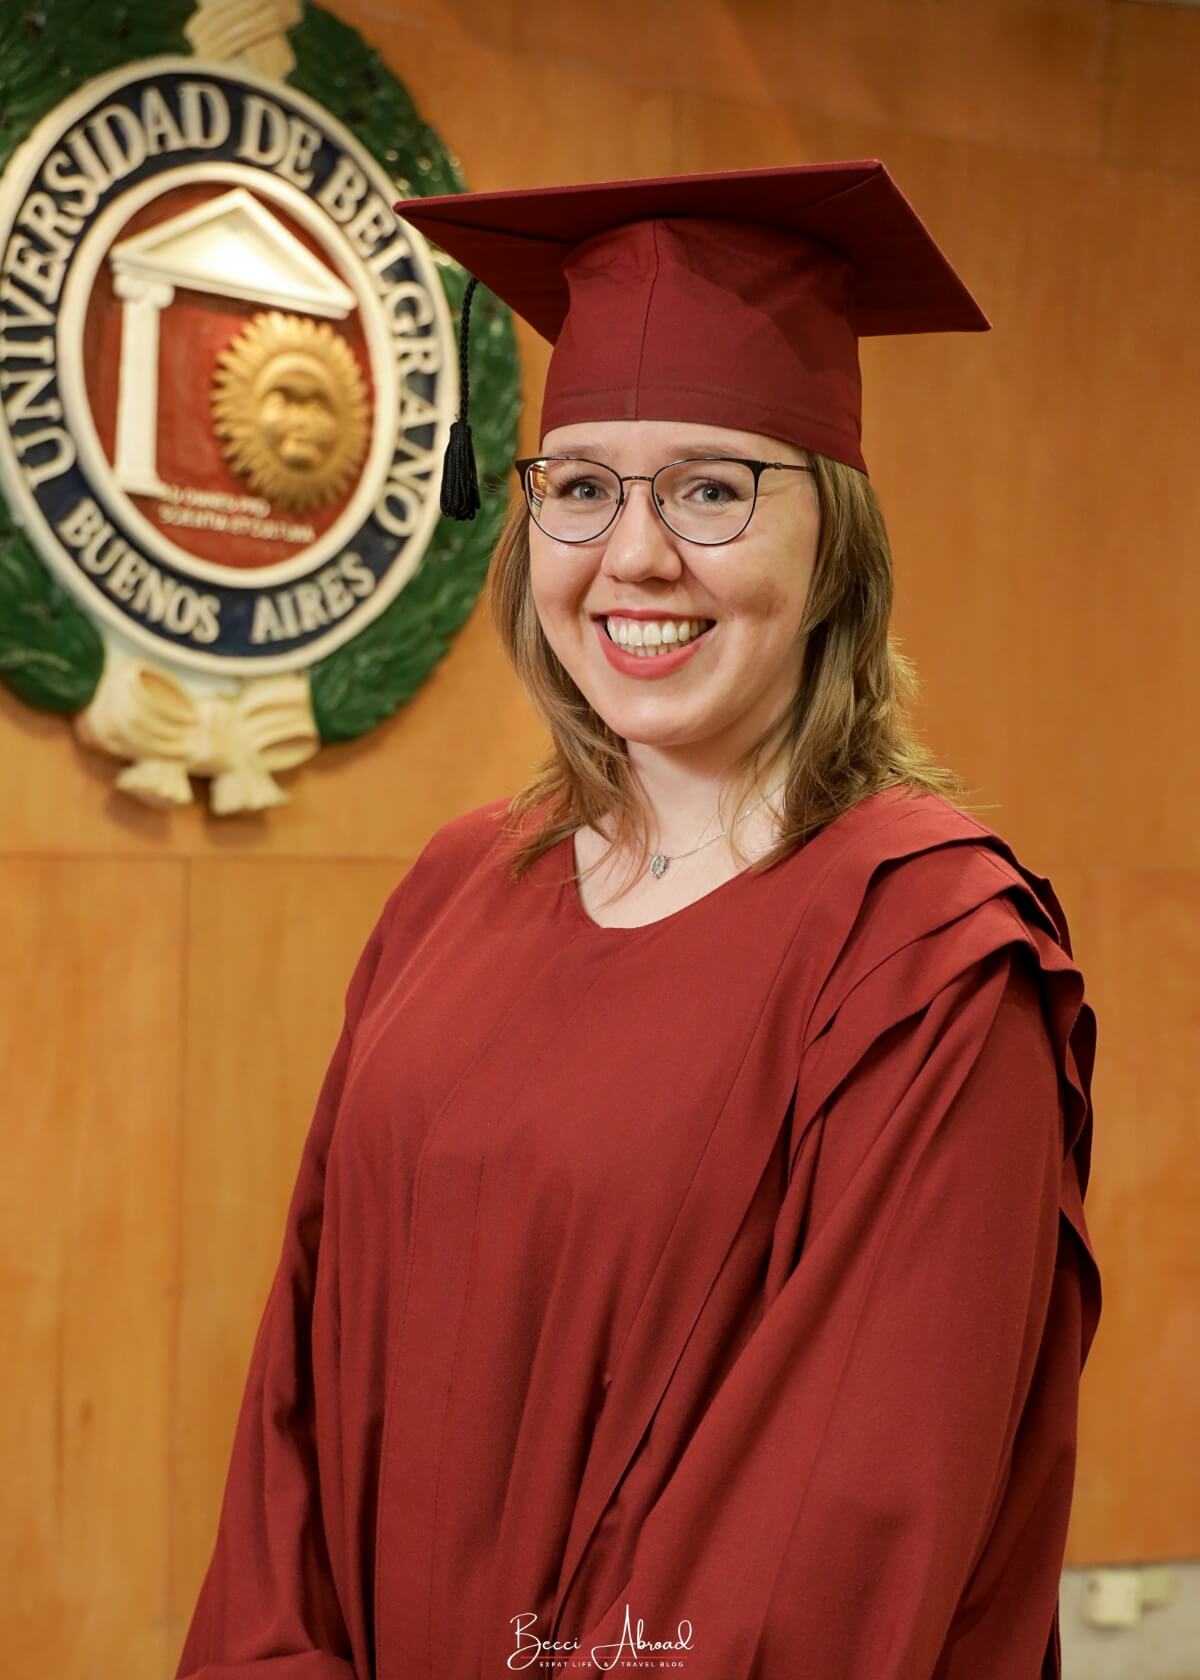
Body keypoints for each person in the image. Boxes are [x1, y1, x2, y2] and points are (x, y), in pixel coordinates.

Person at [175, 160, 1102, 1680]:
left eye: (714, 486)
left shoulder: (929, 956)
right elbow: (295, 1399)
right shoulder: (453, 892)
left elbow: (826, 1550)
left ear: (835, 547)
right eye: (585, 484)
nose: (636, 555)